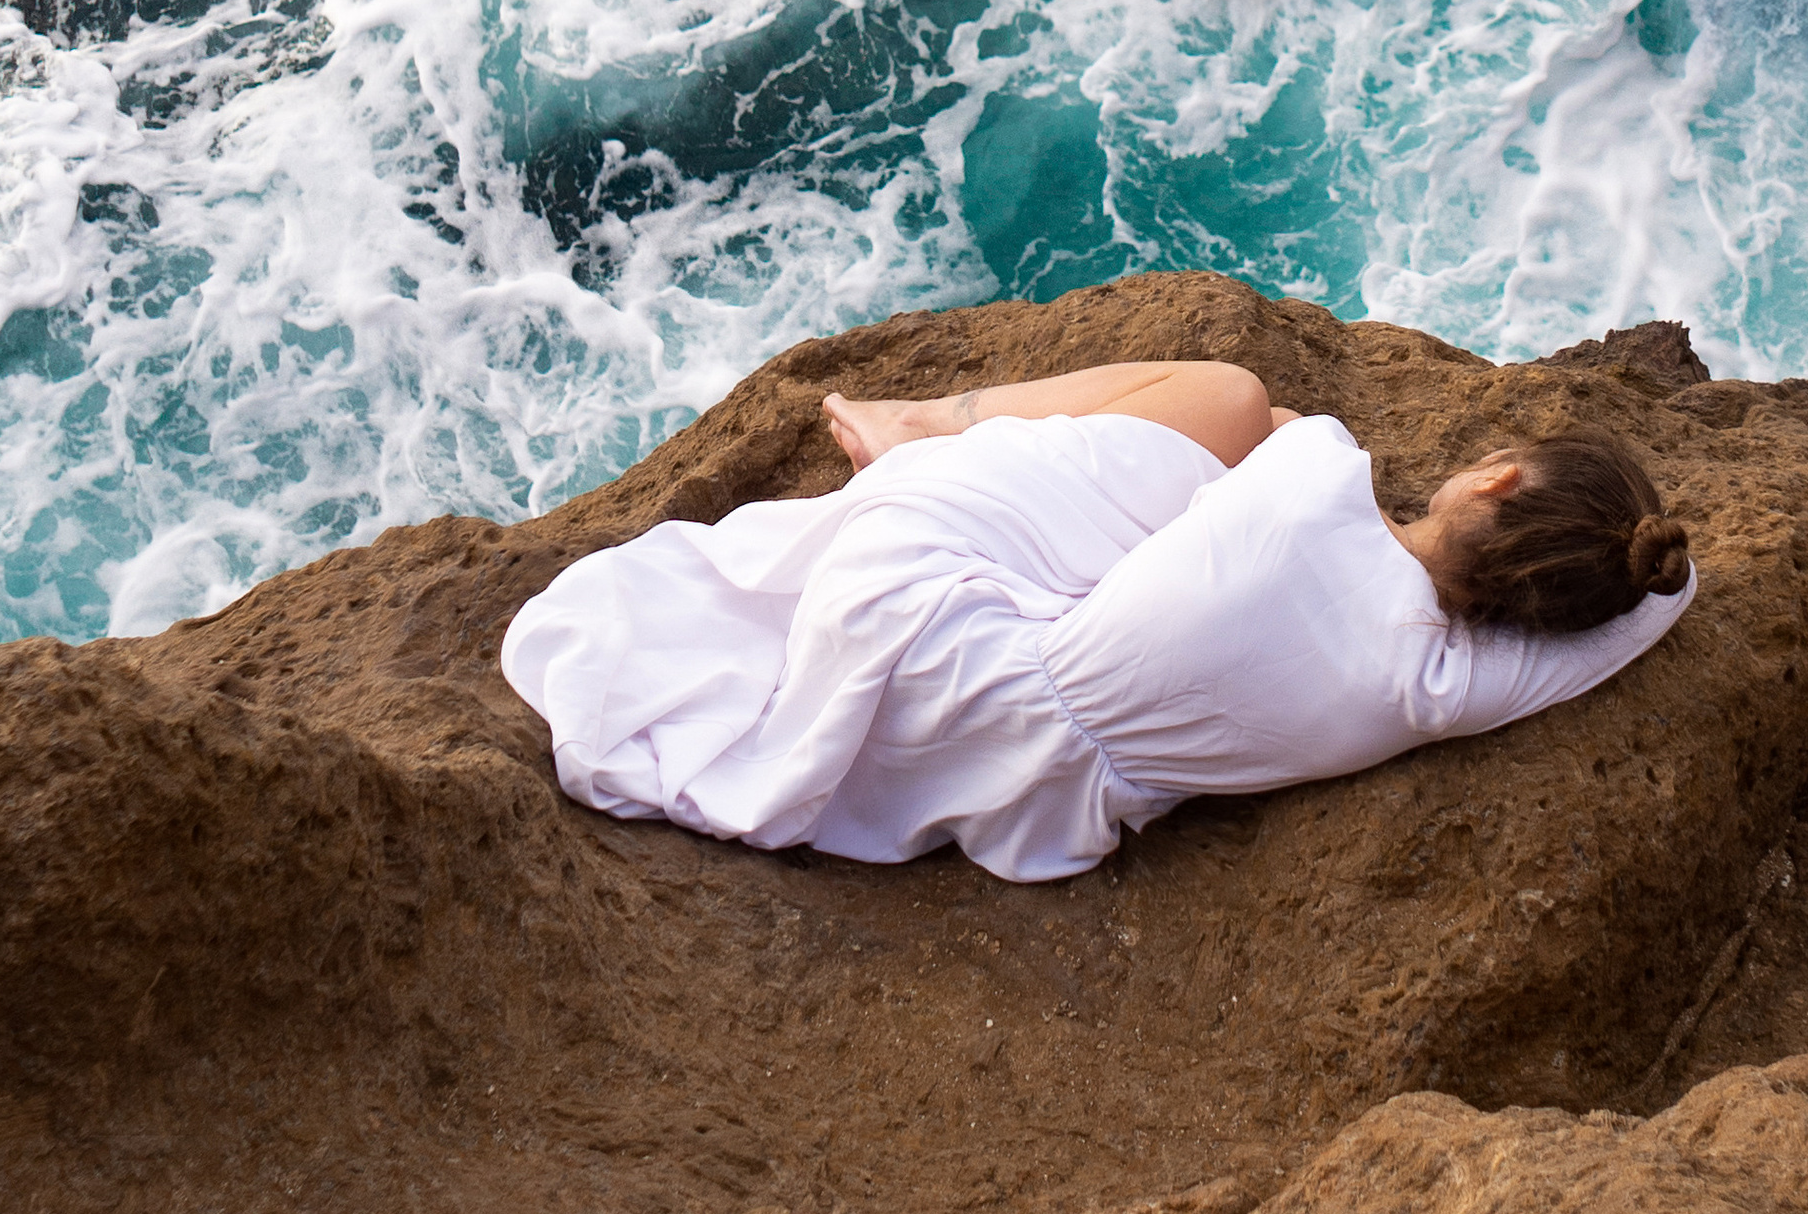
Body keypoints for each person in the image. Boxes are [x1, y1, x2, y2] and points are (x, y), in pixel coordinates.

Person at [500, 353, 1696, 884]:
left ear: (1489, 479)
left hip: (920, 610)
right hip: (1033, 786)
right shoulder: (1438, 690)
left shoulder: (1319, 472)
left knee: (1230, 400)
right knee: (1202, 505)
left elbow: (1256, 430)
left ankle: (929, 419)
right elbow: (1657, 599)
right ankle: (933, 436)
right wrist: (1620, 562)